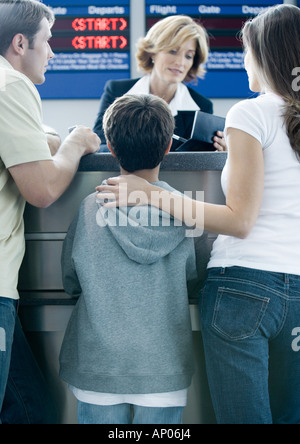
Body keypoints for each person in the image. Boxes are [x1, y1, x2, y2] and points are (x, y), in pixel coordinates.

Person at [97, 4, 300, 424]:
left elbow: (240, 221)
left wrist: (150, 195)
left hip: (244, 289)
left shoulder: (251, 111)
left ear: (264, 54)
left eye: (246, 51)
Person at [59, 94, 209, 425]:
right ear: (169, 146)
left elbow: (71, 279)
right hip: (163, 369)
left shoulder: (89, 207)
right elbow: (195, 279)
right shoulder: (186, 212)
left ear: (110, 147)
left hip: (98, 365)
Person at [0, 0, 100, 424]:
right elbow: (42, 189)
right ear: (21, 43)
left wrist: (51, 136)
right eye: (48, 41)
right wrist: (77, 142)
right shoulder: (12, 85)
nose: (54, 52)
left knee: (30, 411)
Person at [93, 15, 225, 152]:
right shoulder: (116, 91)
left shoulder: (202, 107)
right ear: (153, 52)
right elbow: (99, 146)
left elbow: (199, 164)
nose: (180, 62)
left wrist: (218, 155)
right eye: (173, 51)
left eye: (188, 56)